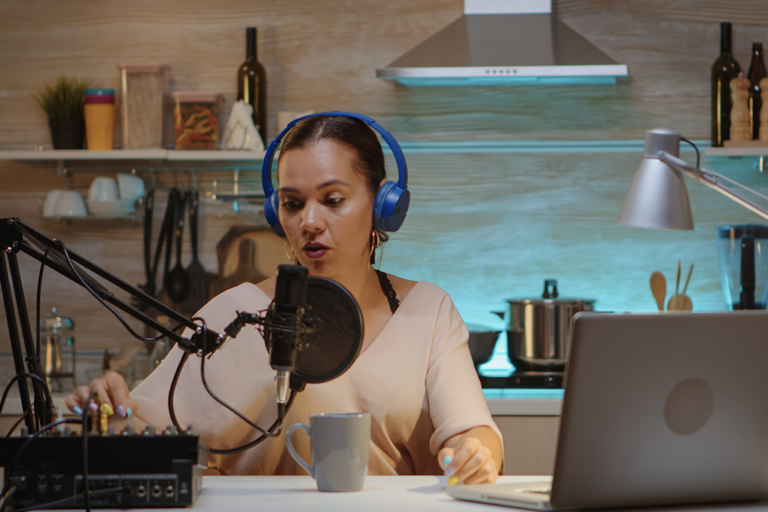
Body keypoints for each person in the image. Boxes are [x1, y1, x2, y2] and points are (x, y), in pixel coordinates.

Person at [65, 115, 503, 485]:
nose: (309, 221)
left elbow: (474, 433)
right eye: (293, 204)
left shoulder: (428, 311)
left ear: (383, 203)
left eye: (333, 200)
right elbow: (147, 434)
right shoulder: (233, 314)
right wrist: (108, 413)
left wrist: (474, 453)